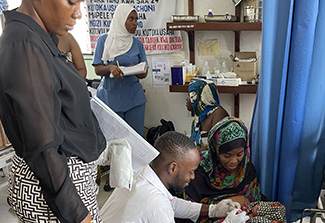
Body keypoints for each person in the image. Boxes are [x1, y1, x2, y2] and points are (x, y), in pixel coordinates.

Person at [0, 1, 107, 223]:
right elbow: (42, 146)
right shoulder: (24, 43)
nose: (78, 12)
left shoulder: (38, 37)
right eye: (71, 1)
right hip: (57, 189)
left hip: (67, 181)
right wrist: (78, 215)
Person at [100, 131, 249, 223]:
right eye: (191, 171)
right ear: (173, 168)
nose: (192, 177)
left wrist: (213, 210)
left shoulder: (143, 173)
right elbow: (163, 206)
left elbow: (172, 203)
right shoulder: (156, 205)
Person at [92, 3, 148, 191]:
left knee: (135, 140)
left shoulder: (137, 43)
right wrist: (110, 69)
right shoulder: (104, 40)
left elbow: (144, 72)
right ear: (120, 19)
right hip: (110, 98)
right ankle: (115, 180)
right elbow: (98, 68)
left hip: (133, 98)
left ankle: (135, 177)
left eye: (136, 19)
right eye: (130, 19)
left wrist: (136, 70)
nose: (134, 23)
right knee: (115, 142)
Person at [183, 117, 262, 223]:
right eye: (227, 155)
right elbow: (187, 212)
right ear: (215, 151)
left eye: (239, 154)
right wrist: (227, 203)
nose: (234, 161)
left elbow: (254, 203)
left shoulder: (246, 169)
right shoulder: (198, 173)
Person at [186, 79, 229, 150]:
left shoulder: (218, 113)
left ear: (200, 96)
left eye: (189, 95)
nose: (187, 99)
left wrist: (194, 153)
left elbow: (217, 146)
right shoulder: (198, 118)